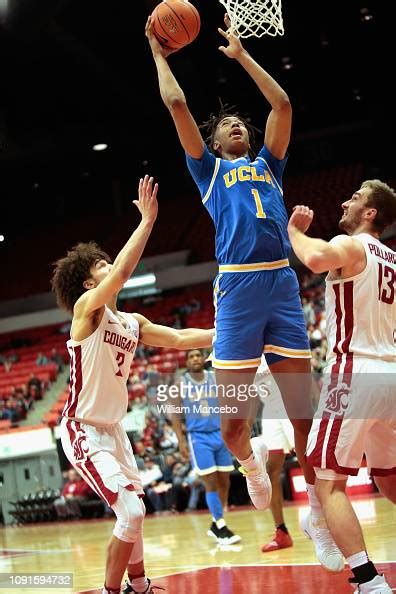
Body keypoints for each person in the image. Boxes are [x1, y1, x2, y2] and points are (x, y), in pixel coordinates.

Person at [146, 13, 342, 570]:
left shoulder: (270, 168)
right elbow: (178, 107)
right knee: (234, 424)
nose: (236, 125)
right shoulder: (207, 173)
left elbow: (281, 107)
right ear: (211, 142)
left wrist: (241, 56)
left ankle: (319, 520)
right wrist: (160, 56)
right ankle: (251, 469)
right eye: (226, 124)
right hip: (236, 291)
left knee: (304, 421)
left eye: (239, 123)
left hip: (282, 284)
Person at [51, 176, 214, 594]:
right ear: (89, 284)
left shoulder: (131, 323)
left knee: (135, 508)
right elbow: (123, 271)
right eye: (100, 266)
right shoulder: (88, 310)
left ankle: (138, 585)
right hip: (83, 427)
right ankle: (114, 590)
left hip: (115, 430)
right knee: (130, 512)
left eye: (106, 263)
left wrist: (230, 333)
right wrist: (146, 221)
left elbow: (178, 339)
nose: (109, 268)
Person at [287, 179, 396, 593]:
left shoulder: (353, 246)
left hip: (355, 373)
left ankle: (368, 580)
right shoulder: (393, 260)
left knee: (328, 480)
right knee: (389, 478)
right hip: (390, 375)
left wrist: (294, 231)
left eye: (356, 199)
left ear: (370, 214)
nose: (346, 202)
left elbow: (315, 257)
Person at [169, 349, 241, 545]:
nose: (195, 359)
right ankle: (220, 525)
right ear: (186, 361)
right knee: (210, 482)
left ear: (203, 358)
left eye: (198, 355)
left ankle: (216, 522)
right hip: (198, 438)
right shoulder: (181, 383)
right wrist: (181, 441)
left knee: (225, 481)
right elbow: (174, 413)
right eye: (191, 356)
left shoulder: (214, 378)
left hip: (220, 434)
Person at [255, 357, 294, 552]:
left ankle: (328, 523)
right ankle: (282, 532)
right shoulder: (240, 350)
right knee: (271, 471)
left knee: (311, 462)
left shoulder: (269, 337)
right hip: (270, 410)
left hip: (290, 401)